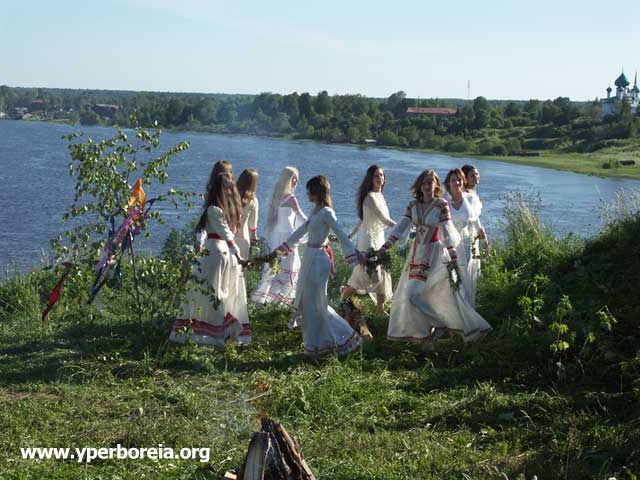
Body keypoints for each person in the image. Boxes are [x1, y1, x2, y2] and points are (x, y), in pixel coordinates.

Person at [379, 169, 491, 351]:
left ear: (436, 185)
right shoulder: (413, 205)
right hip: (416, 254)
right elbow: (401, 227)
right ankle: (427, 337)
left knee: (414, 295)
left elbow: (447, 232)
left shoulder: (441, 205)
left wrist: (453, 256)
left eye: (432, 182)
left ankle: (438, 325)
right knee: (415, 295)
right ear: (420, 185)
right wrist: (384, 247)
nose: (428, 185)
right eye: (425, 182)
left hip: (436, 255)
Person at [273, 176, 363, 357]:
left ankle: (344, 338)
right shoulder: (316, 211)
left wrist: (354, 254)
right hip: (310, 257)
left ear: (316, 192)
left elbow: (341, 233)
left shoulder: (327, 212)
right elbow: (300, 232)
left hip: (319, 259)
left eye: (309, 190)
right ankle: (315, 345)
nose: (307, 193)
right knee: (307, 302)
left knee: (318, 303)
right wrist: (280, 251)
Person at [169, 172, 251, 347]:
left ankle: (216, 333)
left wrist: (237, 254)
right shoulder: (223, 209)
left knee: (209, 293)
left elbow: (226, 234)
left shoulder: (213, 209)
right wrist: (236, 255)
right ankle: (223, 329)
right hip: (222, 253)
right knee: (218, 292)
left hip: (215, 252)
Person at [341, 165, 396, 316]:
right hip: (369, 241)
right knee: (368, 275)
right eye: (376, 176)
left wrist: (351, 234)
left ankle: (380, 309)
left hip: (379, 240)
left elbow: (362, 219)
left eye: (382, 175)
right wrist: (401, 227)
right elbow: (383, 218)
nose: (380, 178)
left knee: (382, 274)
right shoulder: (370, 196)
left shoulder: (380, 195)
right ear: (370, 179)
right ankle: (345, 293)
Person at [252, 166, 307, 306]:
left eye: (297, 180)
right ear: (288, 179)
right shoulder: (290, 198)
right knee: (289, 270)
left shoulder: (275, 197)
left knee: (274, 269)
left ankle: (265, 300)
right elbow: (302, 218)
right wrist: (316, 223)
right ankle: (281, 302)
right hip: (288, 236)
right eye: (294, 179)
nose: (296, 182)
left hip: (276, 237)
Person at [444, 168, 487, 307]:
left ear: (463, 182)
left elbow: (475, 220)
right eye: (453, 180)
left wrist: (483, 236)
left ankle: (468, 311)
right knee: (453, 277)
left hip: (468, 243)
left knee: (467, 278)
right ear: (448, 183)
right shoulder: (445, 202)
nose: (456, 182)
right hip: (451, 246)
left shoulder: (470, 198)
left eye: (459, 179)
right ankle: (455, 311)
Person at [235, 168, 260, 259]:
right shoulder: (253, 201)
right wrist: (254, 236)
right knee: (240, 270)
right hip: (243, 239)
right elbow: (252, 223)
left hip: (228, 238)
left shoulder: (229, 197)